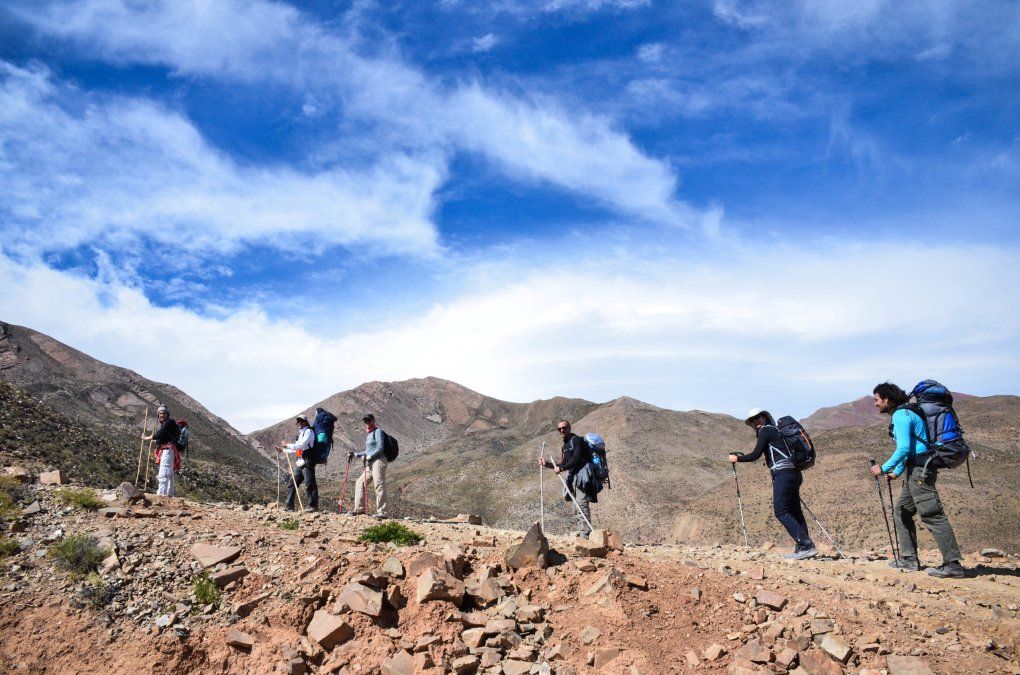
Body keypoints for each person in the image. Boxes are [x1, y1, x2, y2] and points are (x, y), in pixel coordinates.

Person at [869, 382, 965, 578]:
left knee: (931, 514)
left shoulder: (901, 415)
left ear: (887, 399)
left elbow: (904, 448)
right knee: (901, 511)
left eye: (877, 400)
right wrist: (897, 471)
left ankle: (953, 565)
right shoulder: (907, 413)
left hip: (920, 471)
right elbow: (912, 448)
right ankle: (908, 558)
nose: (875, 404)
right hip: (915, 469)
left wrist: (884, 467)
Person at [729, 408, 816, 560]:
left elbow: (755, 455)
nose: (755, 422)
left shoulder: (766, 431)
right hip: (794, 473)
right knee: (795, 511)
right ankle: (804, 548)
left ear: (764, 417)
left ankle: (806, 545)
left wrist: (737, 459)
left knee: (781, 511)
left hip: (783, 474)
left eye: (757, 418)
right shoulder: (777, 431)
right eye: (752, 421)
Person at [538, 420, 597, 539]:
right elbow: (565, 463)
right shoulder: (565, 444)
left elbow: (576, 459)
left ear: (569, 428)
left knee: (581, 505)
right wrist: (547, 464)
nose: (562, 430)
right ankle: (583, 534)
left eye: (564, 428)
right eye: (559, 429)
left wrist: (561, 467)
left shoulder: (576, 440)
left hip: (582, 478)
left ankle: (585, 537)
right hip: (573, 479)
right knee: (577, 507)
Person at [277, 414, 318, 512]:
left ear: (305, 422)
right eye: (298, 422)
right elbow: (297, 450)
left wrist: (286, 444)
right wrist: (282, 450)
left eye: (301, 421)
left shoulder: (309, 432)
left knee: (309, 483)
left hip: (308, 460)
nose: (299, 423)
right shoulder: (300, 434)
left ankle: (313, 506)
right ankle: (289, 506)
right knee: (293, 482)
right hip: (300, 461)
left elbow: (301, 445)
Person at [350, 413, 387, 518]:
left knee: (379, 485)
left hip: (379, 461)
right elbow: (368, 450)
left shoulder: (377, 431)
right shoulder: (370, 434)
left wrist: (370, 456)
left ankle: (382, 512)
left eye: (369, 420)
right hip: (370, 463)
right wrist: (356, 454)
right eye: (365, 421)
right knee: (360, 483)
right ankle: (359, 509)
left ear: (373, 421)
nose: (367, 422)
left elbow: (380, 447)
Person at [144, 405, 180, 497]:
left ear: (167, 414)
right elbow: (163, 437)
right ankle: (169, 494)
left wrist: (147, 437)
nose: (162, 415)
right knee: (169, 473)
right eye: (160, 413)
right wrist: (155, 440)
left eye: (164, 413)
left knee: (164, 472)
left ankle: (161, 495)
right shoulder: (166, 423)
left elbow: (161, 434)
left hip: (168, 450)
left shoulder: (169, 422)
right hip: (168, 450)